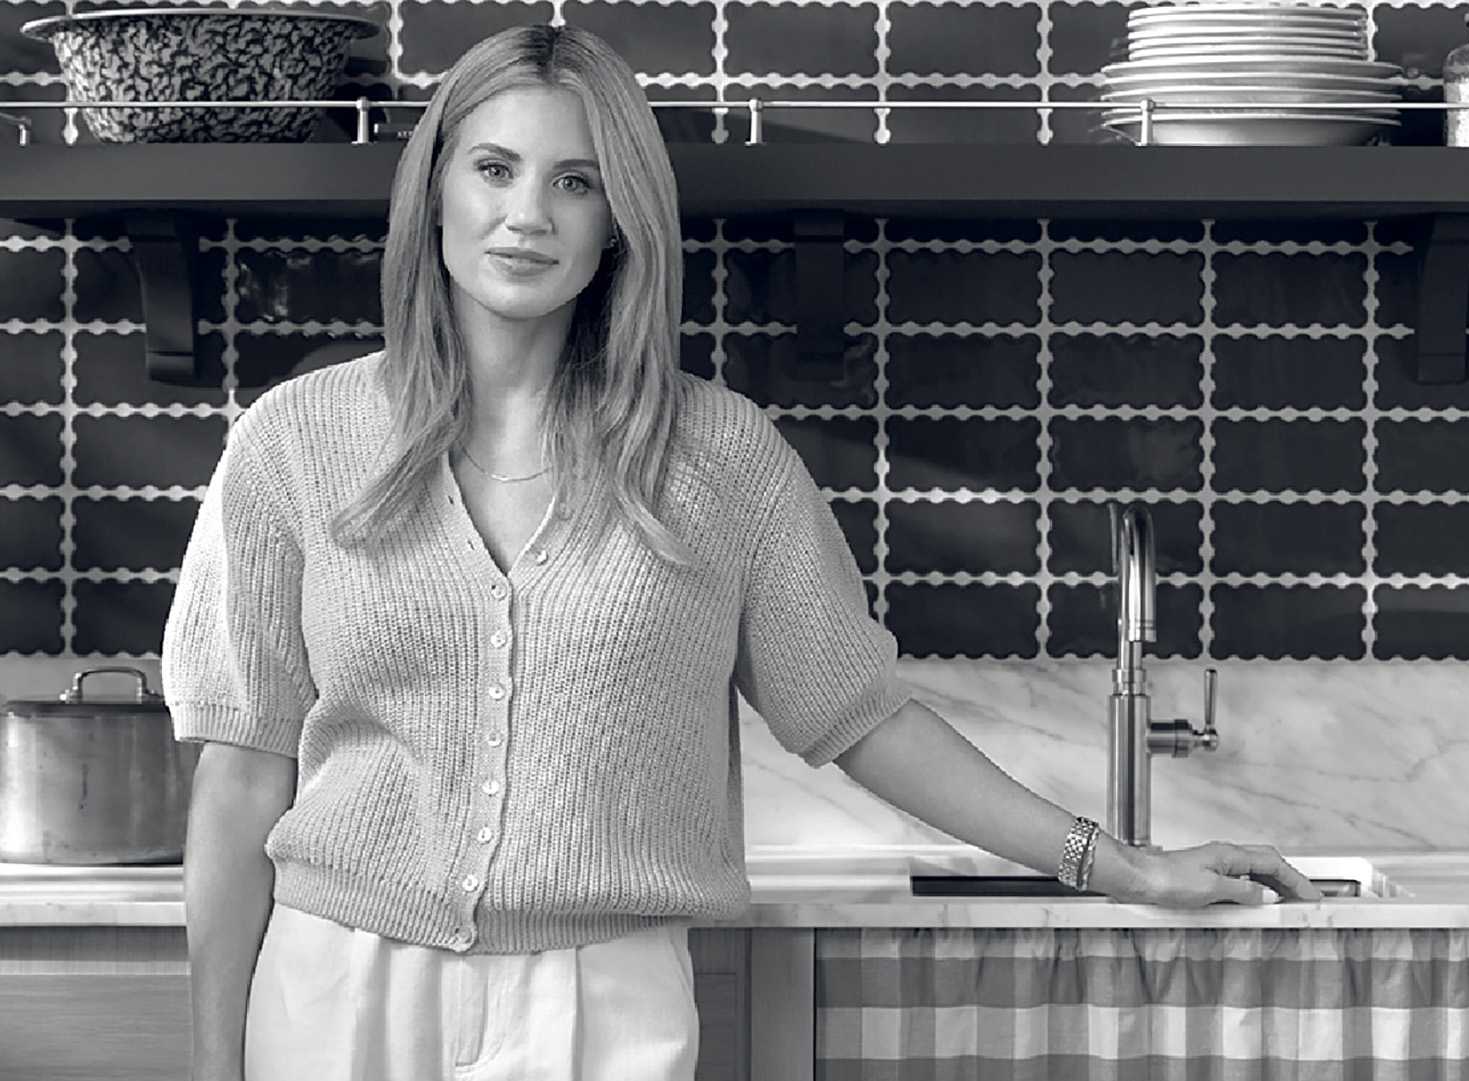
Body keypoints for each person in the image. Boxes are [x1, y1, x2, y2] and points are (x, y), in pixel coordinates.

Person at [160, 22, 1322, 1081]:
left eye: (577, 182)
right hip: (336, 988)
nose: (529, 217)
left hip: (602, 1002)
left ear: (620, 222)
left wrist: (1115, 861)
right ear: (436, 190)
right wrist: (217, 1065)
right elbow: (241, 773)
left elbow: (862, 717)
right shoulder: (295, 442)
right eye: (495, 168)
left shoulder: (719, 454)